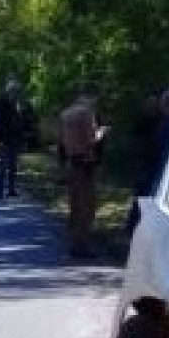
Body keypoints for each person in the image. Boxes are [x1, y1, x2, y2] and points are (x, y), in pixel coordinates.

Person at [57, 89, 107, 256]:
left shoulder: (66, 115)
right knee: (87, 205)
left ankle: (72, 238)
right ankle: (81, 244)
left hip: (71, 162)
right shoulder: (86, 114)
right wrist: (102, 132)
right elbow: (91, 139)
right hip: (85, 163)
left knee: (75, 203)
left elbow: (62, 141)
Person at [0, 79, 27, 199]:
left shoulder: (18, 104)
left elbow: (21, 122)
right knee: (3, 166)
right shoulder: (2, 103)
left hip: (15, 139)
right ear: (9, 91)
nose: (16, 93)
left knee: (13, 166)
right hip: (4, 139)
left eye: (17, 91)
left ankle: (11, 190)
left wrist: (22, 137)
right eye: (14, 90)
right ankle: (0, 192)